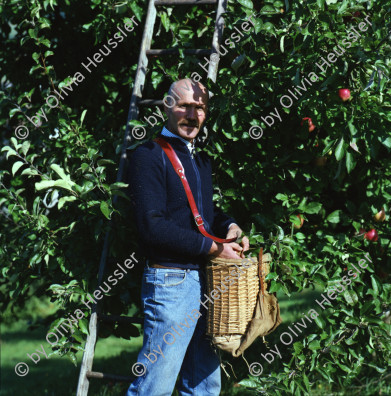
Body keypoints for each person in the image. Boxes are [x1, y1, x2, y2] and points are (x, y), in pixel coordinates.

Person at [126, 78, 249, 396]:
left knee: (205, 385)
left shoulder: (201, 159)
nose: (192, 115)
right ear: (167, 106)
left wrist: (230, 228)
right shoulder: (147, 156)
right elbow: (152, 227)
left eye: (200, 108)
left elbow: (205, 216)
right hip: (170, 283)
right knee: (154, 384)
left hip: (206, 280)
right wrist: (213, 248)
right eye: (184, 105)